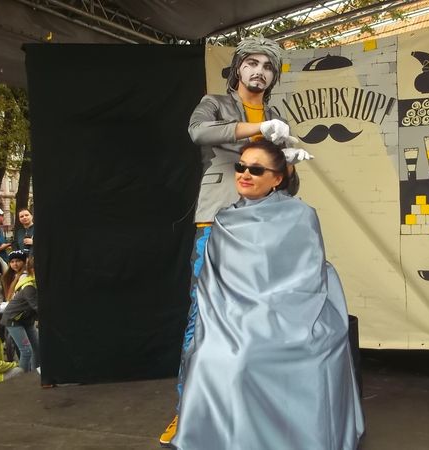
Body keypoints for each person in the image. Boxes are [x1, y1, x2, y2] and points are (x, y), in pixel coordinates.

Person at [160, 36, 313, 446]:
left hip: (264, 226)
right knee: (203, 317)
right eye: (253, 63)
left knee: (260, 318)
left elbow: (286, 183)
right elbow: (199, 133)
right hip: (216, 221)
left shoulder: (278, 115)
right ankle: (187, 410)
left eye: (268, 66)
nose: (259, 72)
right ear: (238, 68)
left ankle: (251, 409)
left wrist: (289, 160)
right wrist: (260, 131)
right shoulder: (214, 104)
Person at [170, 140, 364, 449]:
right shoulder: (224, 220)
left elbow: (307, 277)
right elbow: (214, 284)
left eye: (256, 169)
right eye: (241, 166)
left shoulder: (300, 215)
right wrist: (232, 319)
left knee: (252, 355)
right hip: (232, 316)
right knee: (215, 357)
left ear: (278, 178)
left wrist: (266, 313)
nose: (245, 174)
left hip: (292, 312)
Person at [0, 255, 39, 372]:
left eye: (17, 261)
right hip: (13, 320)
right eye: (12, 261)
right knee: (26, 351)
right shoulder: (28, 285)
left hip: (26, 319)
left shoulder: (33, 281)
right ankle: (21, 377)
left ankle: (35, 374)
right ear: (31, 269)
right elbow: (37, 306)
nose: (15, 264)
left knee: (37, 348)